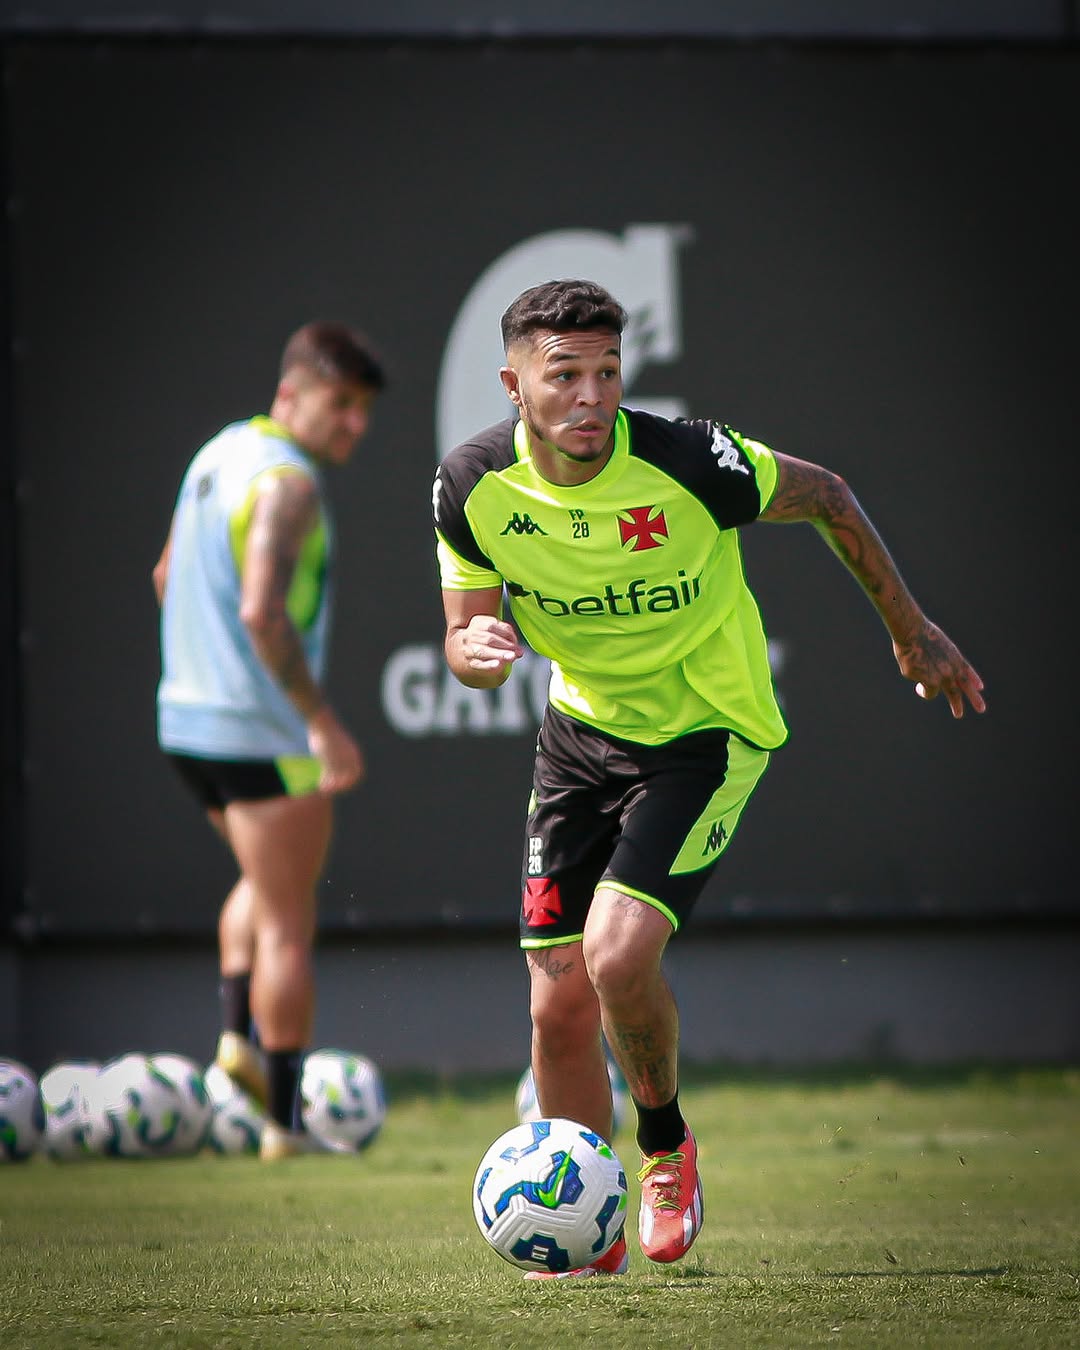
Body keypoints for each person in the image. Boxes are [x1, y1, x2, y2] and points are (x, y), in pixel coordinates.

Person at [432, 279, 984, 1277]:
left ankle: (664, 1149)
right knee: (555, 1004)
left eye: (608, 372)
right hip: (578, 740)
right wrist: (472, 651)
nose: (591, 396)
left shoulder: (691, 460)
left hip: (706, 735)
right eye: (565, 376)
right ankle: (586, 1229)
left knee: (616, 956)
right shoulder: (470, 484)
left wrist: (912, 631)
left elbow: (829, 496)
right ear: (514, 386)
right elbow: (465, 636)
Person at [154, 320, 386, 1160]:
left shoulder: (217, 455)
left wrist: (205, 667)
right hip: (263, 734)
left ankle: (235, 1040)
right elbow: (262, 612)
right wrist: (321, 722)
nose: (354, 424)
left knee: (260, 884)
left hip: (186, 726)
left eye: (363, 411)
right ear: (291, 393)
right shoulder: (288, 483)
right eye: (340, 403)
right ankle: (284, 1125)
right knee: (289, 921)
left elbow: (164, 576)